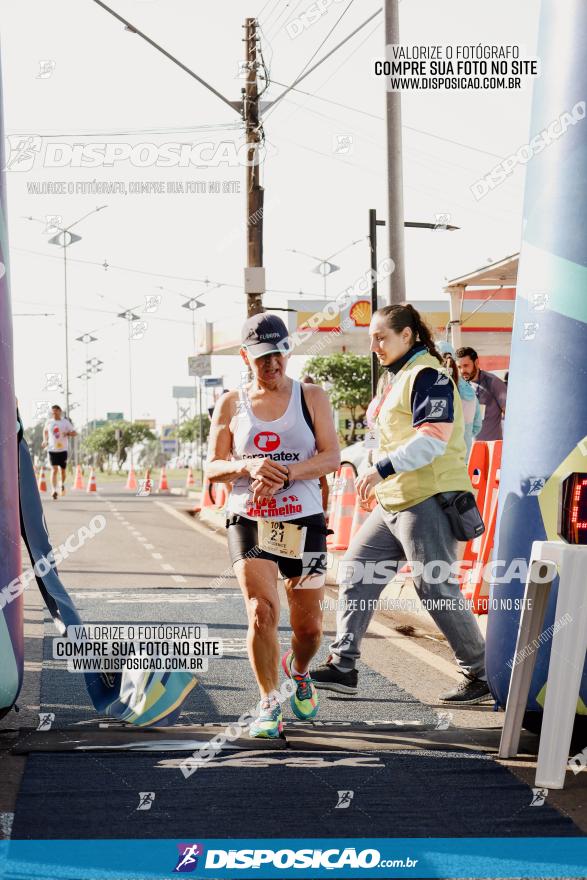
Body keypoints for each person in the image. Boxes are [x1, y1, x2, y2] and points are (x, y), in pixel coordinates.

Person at [311, 304, 490, 705]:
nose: (373, 345)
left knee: (434, 587)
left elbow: (433, 439)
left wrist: (380, 470)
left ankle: (479, 673)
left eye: (381, 337)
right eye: (372, 337)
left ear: (406, 335)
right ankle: (344, 665)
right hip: (394, 500)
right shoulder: (394, 378)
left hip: (428, 497)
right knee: (357, 569)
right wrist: (371, 469)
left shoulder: (428, 376)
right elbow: (386, 436)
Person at [206, 314, 340, 737]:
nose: (272, 365)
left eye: (278, 355)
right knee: (261, 612)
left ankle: (297, 670)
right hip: (250, 517)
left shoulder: (312, 396)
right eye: (262, 358)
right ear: (246, 357)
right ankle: (268, 702)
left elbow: (331, 456)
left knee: (310, 628)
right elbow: (211, 466)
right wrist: (247, 465)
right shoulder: (231, 403)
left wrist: (287, 472)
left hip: (304, 518)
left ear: (288, 351)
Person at [437, 341, 482, 458]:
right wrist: (464, 436)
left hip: (440, 460)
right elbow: (477, 426)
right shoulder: (470, 392)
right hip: (463, 457)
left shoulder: (435, 390)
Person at [455, 346, 507, 441]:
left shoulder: (493, 382)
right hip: (468, 449)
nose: (462, 371)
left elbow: (510, 413)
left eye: (466, 366)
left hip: (490, 448)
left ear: (476, 362)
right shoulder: (458, 385)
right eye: (459, 367)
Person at [42, 405, 76, 500]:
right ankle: (54, 490)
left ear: (60, 412)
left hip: (63, 450)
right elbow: (45, 431)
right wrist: (45, 440)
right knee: (54, 469)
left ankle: (62, 484)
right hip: (52, 449)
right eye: (53, 412)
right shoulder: (49, 422)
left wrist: (67, 433)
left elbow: (74, 433)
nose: (54, 413)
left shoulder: (65, 422)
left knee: (63, 471)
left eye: (56, 411)